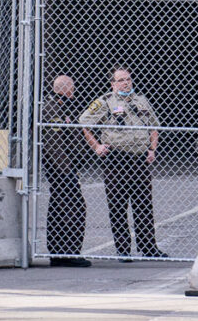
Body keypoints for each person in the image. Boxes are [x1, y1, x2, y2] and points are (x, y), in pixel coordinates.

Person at [79, 67, 167, 260]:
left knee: (143, 204)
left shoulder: (141, 101)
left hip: (139, 159)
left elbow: (154, 126)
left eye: (128, 79)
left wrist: (152, 148)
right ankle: (123, 249)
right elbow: (84, 122)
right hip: (116, 160)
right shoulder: (105, 102)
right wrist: (96, 146)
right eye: (120, 80)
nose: (126, 83)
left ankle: (148, 247)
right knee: (118, 205)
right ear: (113, 84)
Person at [43, 75, 91, 267]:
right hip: (60, 169)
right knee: (73, 207)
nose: (74, 91)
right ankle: (68, 252)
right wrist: (67, 170)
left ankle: (59, 252)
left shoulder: (62, 107)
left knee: (61, 205)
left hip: (66, 167)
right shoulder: (51, 108)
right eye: (72, 87)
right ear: (66, 89)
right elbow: (54, 145)